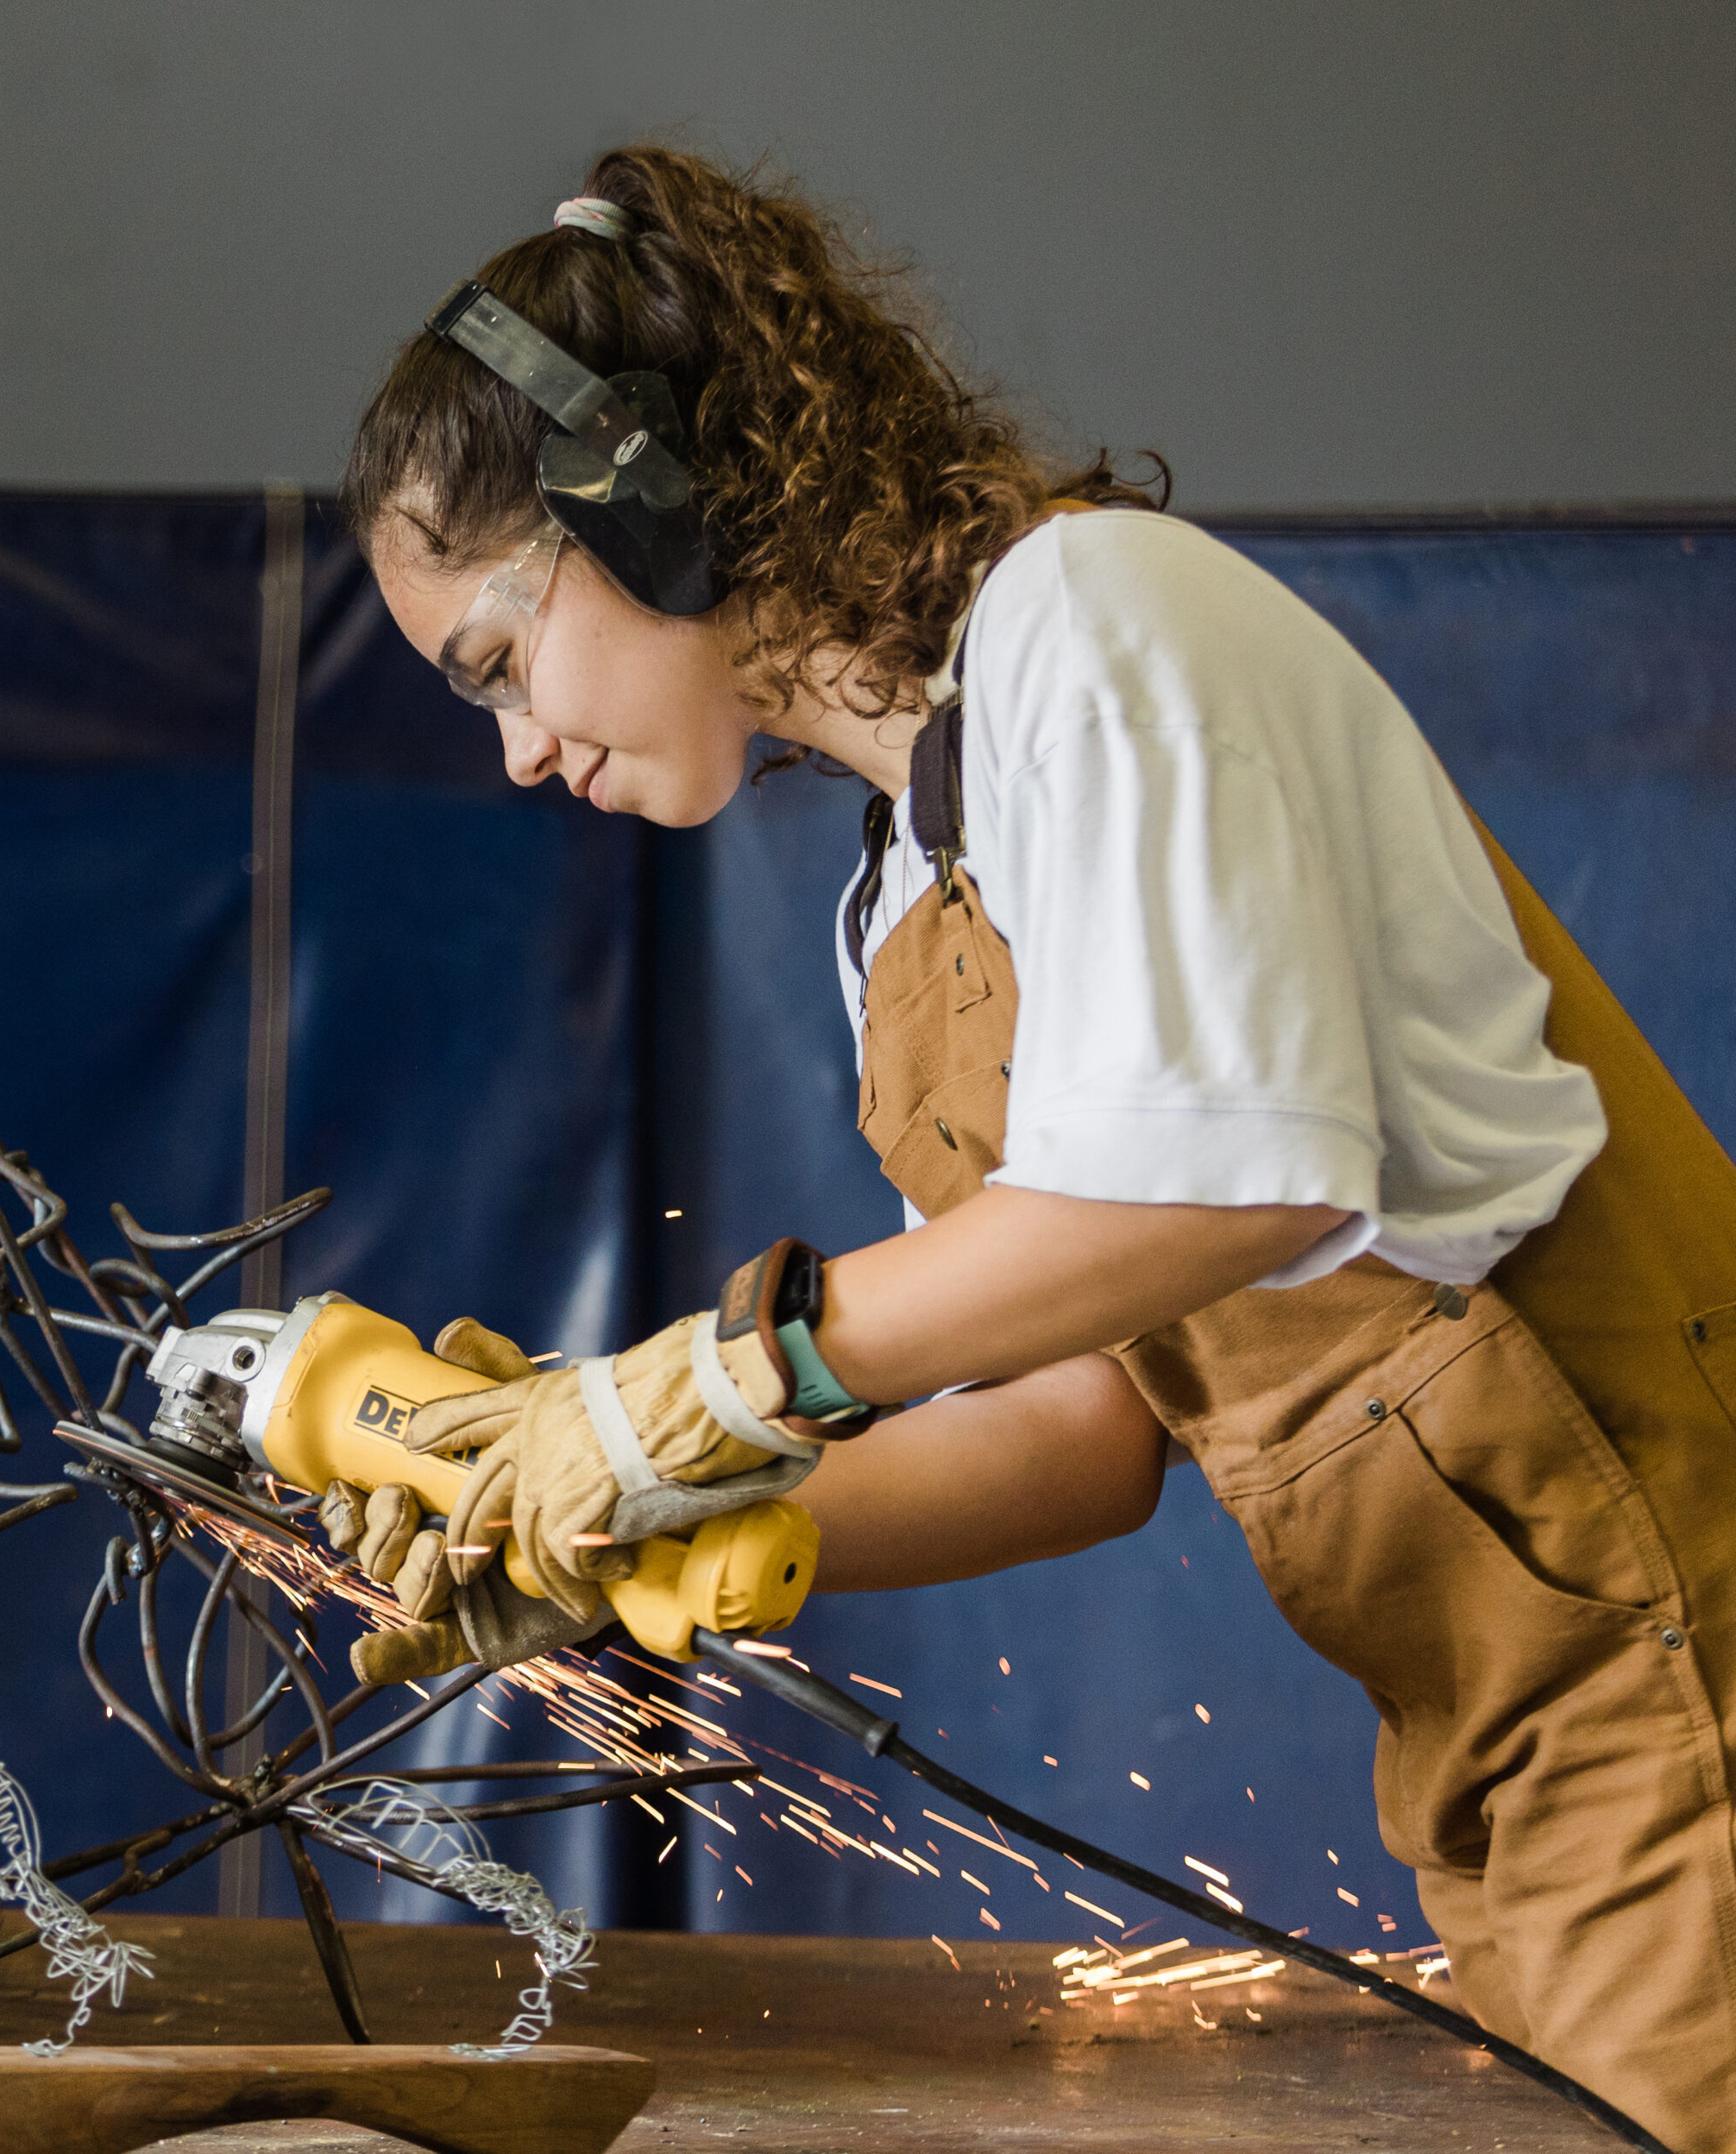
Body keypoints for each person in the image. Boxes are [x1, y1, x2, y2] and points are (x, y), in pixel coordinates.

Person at [324, 147, 1736, 2149]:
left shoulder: (1094, 624)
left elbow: (1228, 1182)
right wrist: (681, 1512)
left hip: (1678, 1656)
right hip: (1486, 1725)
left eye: (493, 657)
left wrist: (709, 1381)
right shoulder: (901, 895)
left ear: (642, 499)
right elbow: (1074, 1419)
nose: (515, 747)